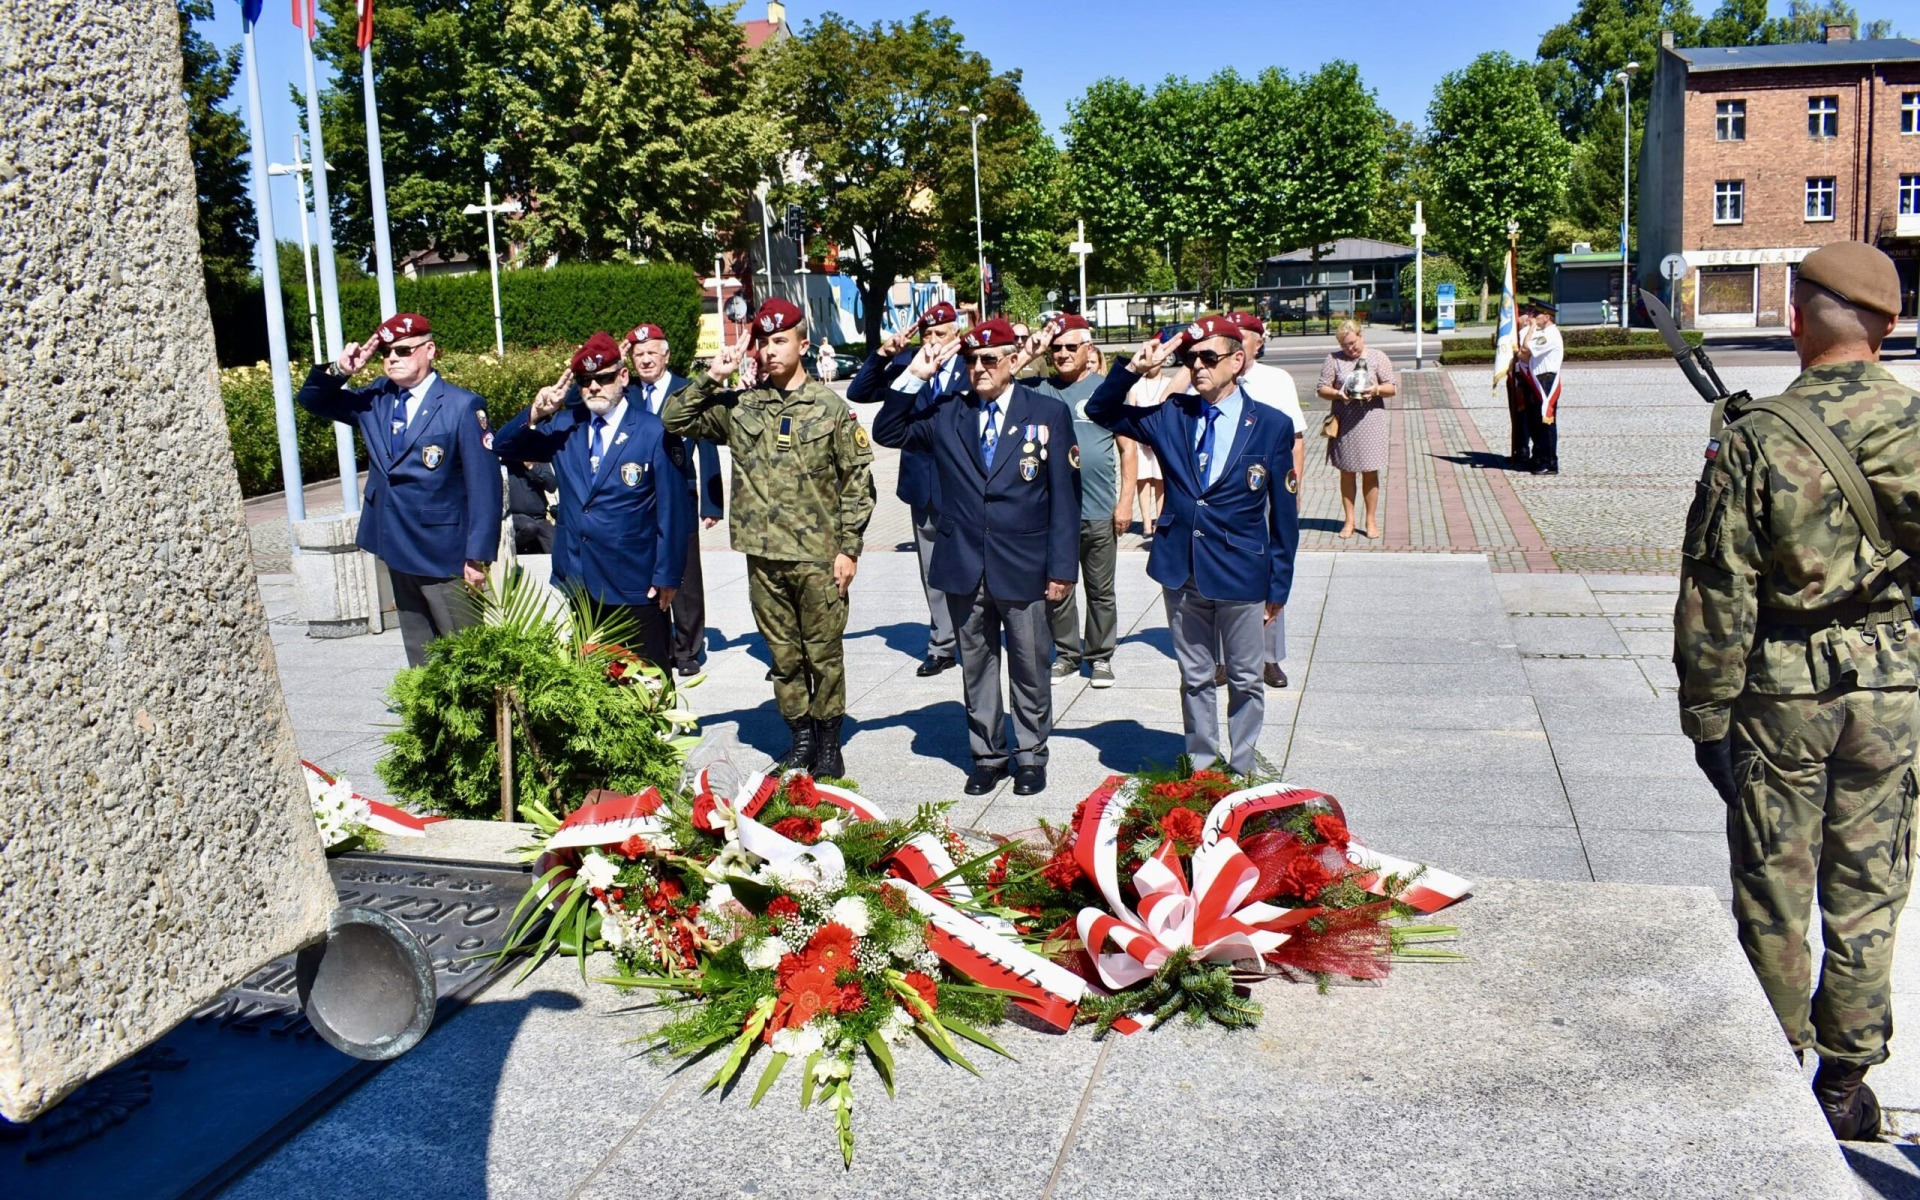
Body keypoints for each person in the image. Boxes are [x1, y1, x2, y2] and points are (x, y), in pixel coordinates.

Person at [1674, 241, 1920, 1143]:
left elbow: (1720, 586)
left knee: (1774, 885)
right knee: (1872, 881)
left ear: (1796, 318)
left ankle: (1773, 1066)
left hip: (1782, 692)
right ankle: (1844, 1083)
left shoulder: (1757, 436)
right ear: (1888, 326)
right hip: (1890, 684)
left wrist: (1707, 714)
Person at [662, 298, 875, 779]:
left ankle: (828, 742)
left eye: (780, 340)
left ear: (803, 344)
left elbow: (858, 484)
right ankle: (799, 738)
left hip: (818, 557)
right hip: (763, 556)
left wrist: (849, 549)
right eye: (763, 342)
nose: (770, 350)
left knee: (823, 653)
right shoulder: (742, 407)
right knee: (783, 654)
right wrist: (714, 376)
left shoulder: (830, 408)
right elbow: (673, 419)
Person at [873, 317, 1080, 796]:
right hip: (964, 562)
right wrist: (915, 375)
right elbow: (887, 430)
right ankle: (988, 756)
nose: (979, 368)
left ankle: (1030, 755)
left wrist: (1061, 568)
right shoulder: (950, 412)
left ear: (1012, 360)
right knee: (977, 665)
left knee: (1030, 664)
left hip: (1024, 563)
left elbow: (1065, 498)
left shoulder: (1046, 413)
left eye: (989, 359)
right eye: (971, 360)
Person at [1087, 314, 1300, 776]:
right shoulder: (1173, 414)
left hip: (1242, 571)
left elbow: (1284, 515)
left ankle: (1242, 768)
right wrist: (1133, 368)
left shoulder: (1271, 424)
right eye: (1190, 358)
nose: (1197, 365)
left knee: (1246, 678)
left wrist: (1279, 587)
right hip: (1181, 568)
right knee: (1196, 676)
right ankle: (1203, 768)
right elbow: (1100, 411)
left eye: (1208, 357)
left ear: (1237, 361)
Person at [295, 312, 501, 668]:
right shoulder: (377, 398)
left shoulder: (461, 405)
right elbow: (313, 400)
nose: (392, 358)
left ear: (429, 351)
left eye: (403, 350)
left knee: (467, 656)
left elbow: (485, 485)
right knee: (420, 652)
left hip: (445, 552)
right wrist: (341, 371)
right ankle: (427, 705)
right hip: (395, 544)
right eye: (386, 352)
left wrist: (478, 556)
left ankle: (477, 707)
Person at [494, 332, 688, 669]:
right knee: (593, 676)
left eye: (604, 378)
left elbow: (673, 510)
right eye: (585, 381)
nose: (594, 387)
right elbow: (504, 446)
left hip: (636, 579)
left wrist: (668, 574)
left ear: (623, 377)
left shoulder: (653, 431)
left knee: (649, 674)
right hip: (580, 577)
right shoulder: (565, 426)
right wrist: (535, 413)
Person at [846, 301, 968, 678]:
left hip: (965, 484)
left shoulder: (972, 367)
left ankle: (976, 637)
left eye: (941, 334)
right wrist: (884, 354)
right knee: (932, 570)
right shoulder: (907, 365)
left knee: (974, 565)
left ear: (956, 334)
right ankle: (942, 644)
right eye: (927, 334)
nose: (933, 341)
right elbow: (859, 392)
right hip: (924, 484)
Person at [1020, 314, 1132, 688]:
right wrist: (1030, 351)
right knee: (1058, 587)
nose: (1063, 353)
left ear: (1089, 349)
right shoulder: (1038, 389)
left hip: (1099, 509)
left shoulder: (1106, 389)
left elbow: (1128, 449)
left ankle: (1100, 656)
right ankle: (1067, 654)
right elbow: (1000, 378)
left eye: (1071, 346)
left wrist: (1125, 502)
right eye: (1056, 348)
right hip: (1053, 514)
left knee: (1101, 591)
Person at [625, 323, 726, 675]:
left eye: (651, 352)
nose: (645, 360)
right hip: (639, 499)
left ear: (666, 356)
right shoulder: (626, 392)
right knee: (648, 572)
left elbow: (708, 447)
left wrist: (712, 503)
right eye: (638, 354)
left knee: (685, 576)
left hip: (680, 495)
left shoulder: (687, 390)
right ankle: (659, 645)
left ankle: (687, 649)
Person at [1227, 311, 1305, 689]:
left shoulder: (1277, 380)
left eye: (1242, 337)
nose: (1236, 344)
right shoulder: (1211, 380)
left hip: (1267, 488)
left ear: (1258, 343)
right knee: (1222, 569)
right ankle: (1223, 656)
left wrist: (1293, 491)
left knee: (1271, 568)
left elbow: (1297, 440)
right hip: (1226, 494)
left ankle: (1269, 656)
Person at [1316, 320, 1396, 540]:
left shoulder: (1378, 357)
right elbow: (1321, 388)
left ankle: (1371, 520)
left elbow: (1392, 387)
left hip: (1371, 422)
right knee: (1347, 472)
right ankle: (1349, 521)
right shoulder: (1334, 359)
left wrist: (1376, 389)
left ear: (1361, 336)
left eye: (1352, 343)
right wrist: (1337, 394)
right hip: (1345, 423)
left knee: (1370, 472)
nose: (1349, 349)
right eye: (1344, 345)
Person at [1520, 300, 1564, 475]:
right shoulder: (1544, 333)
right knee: (1535, 422)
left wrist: (1531, 327)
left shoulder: (1550, 335)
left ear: (1547, 317)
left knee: (1546, 423)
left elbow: (1526, 347)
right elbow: (1524, 354)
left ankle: (1550, 462)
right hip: (1537, 380)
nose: (1533, 317)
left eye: (1537, 314)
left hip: (1546, 381)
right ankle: (1538, 457)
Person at [1506, 299, 1535, 469]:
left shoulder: (1528, 333)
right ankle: (1518, 449)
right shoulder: (1515, 333)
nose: (1517, 320)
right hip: (1514, 377)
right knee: (1515, 416)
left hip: (1525, 379)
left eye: (1520, 316)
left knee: (1524, 417)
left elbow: (1526, 354)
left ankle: (1524, 452)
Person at [505, 458, 556, 555]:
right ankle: (517, 549)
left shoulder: (537, 458)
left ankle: (536, 548)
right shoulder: (504, 462)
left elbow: (552, 486)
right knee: (530, 528)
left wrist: (531, 467)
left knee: (558, 550)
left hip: (539, 518)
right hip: (516, 517)